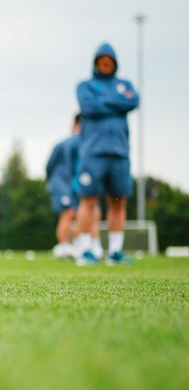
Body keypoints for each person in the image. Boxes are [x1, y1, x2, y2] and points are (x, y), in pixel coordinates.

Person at [75, 42, 139, 266]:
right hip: (93, 152)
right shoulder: (85, 86)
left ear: (114, 62)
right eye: (102, 59)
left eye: (109, 60)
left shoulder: (125, 84)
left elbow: (133, 101)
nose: (106, 63)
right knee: (88, 200)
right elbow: (89, 107)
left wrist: (105, 102)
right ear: (95, 62)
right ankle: (84, 250)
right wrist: (117, 103)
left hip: (120, 153)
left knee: (118, 201)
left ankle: (115, 251)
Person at [45, 115, 103, 260]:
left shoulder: (88, 144)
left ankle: (88, 245)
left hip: (77, 185)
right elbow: (49, 166)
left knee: (91, 212)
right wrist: (53, 183)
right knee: (68, 213)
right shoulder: (63, 145)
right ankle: (64, 248)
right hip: (62, 186)